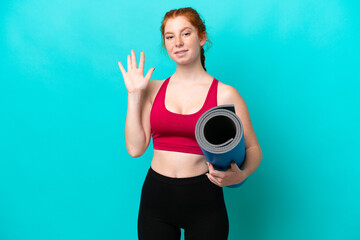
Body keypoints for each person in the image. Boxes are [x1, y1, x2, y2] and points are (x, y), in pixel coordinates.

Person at [118, 7, 262, 240]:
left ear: (202, 37)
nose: (178, 43)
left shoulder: (224, 94)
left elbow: (253, 149)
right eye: (170, 36)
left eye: (186, 33)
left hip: (204, 199)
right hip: (156, 199)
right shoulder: (151, 89)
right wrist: (134, 95)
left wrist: (241, 175)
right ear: (165, 43)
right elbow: (135, 149)